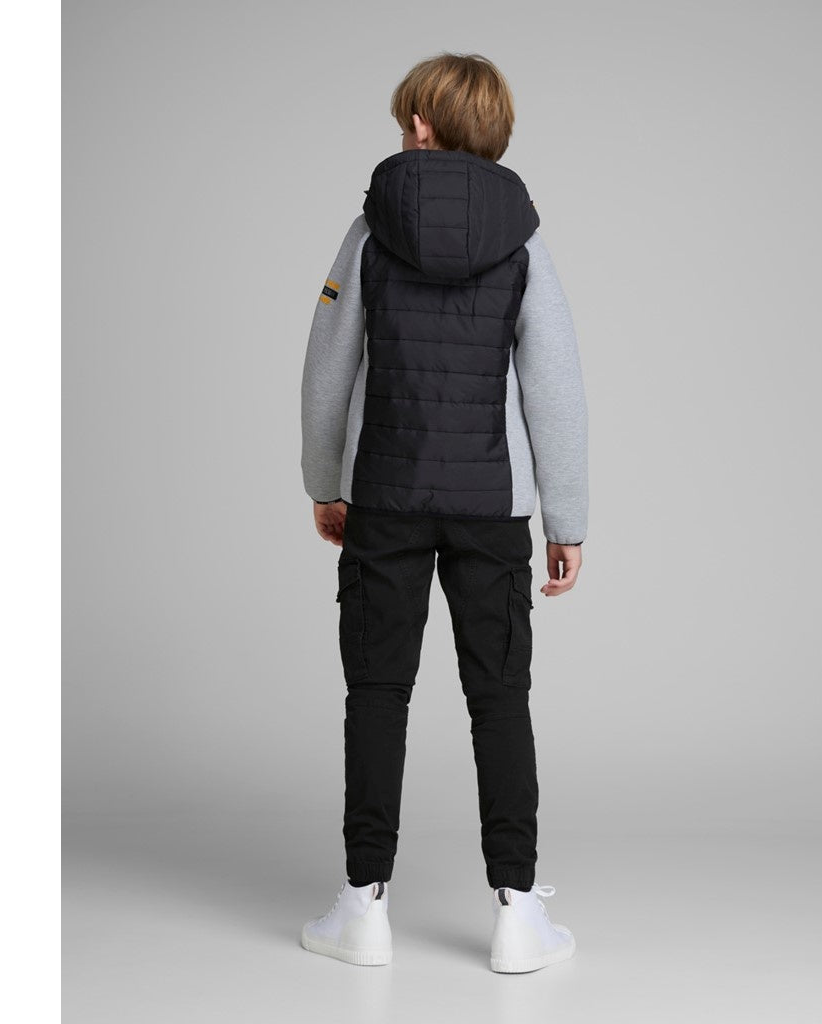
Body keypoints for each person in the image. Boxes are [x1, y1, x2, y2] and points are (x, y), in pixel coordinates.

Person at [298, 52, 587, 973]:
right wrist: (566, 519)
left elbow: (327, 366)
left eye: (405, 117)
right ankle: (517, 914)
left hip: (384, 496)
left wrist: (325, 483)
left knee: (377, 692)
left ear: (423, 125)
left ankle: (363, 908)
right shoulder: (524, 239)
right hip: (491, 506)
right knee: (498, 697)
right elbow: (554, 384)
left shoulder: (369, 229)